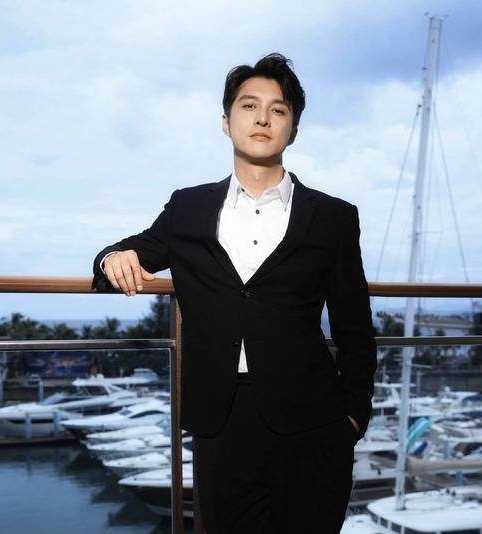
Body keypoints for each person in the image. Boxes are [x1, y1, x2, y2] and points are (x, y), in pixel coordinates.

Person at [92, 52, 377, 534]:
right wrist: (111, 259)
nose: (263, 118)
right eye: (249, 106)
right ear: (226, 122)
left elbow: (355, 326)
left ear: (293, 129)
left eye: (278, 109)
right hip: (221, 421)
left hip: (314, 421)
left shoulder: (333, 216)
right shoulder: (188, 207)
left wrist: (353, 418)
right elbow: (126, 253)